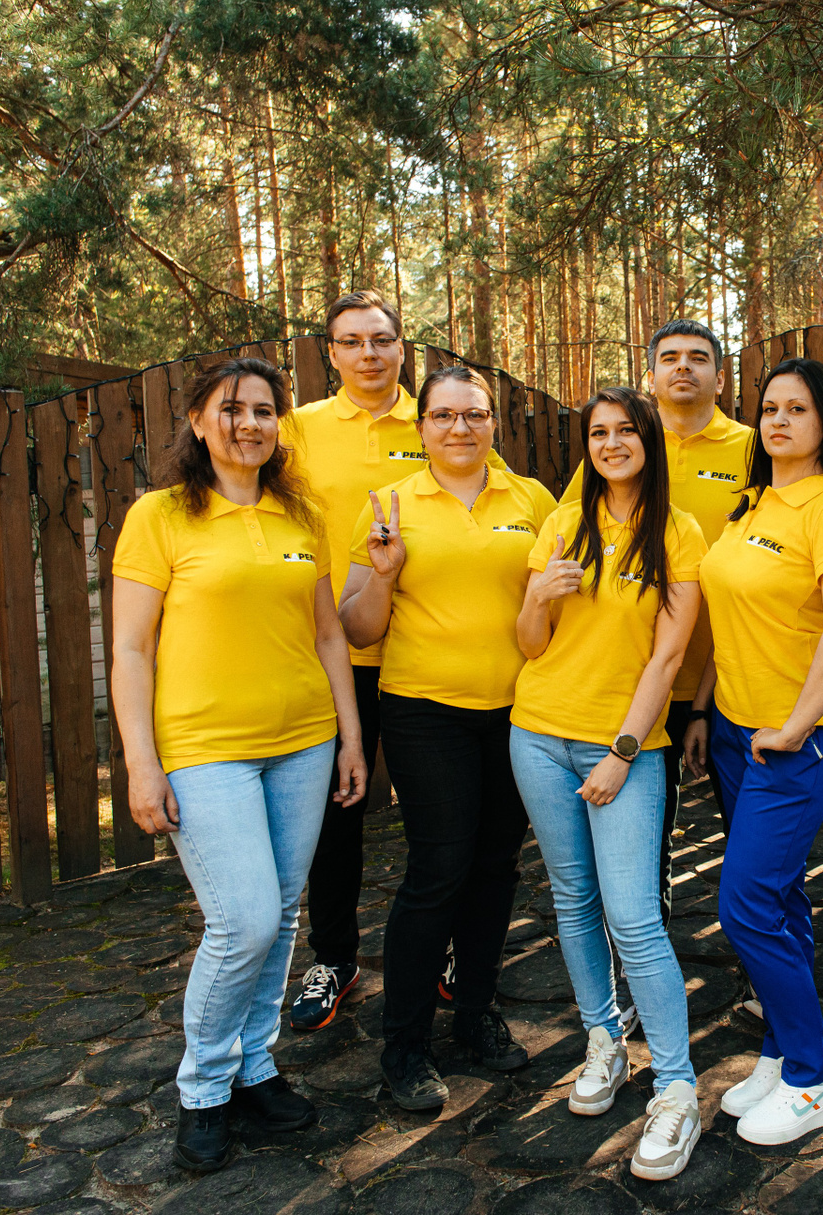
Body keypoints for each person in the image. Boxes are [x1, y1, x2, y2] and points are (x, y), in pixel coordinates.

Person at [111, 356, 368, 1172]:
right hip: (204, 748)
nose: (249, 424)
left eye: (263, 411)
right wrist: (141, 764)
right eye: (231, 409)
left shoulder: (301, 515)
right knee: (242, 921)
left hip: (303, 740)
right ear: (197, 421)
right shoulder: (159, 516)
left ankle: (254, 1067)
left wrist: (350, 737)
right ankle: (203, 1089)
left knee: (283, 914)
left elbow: (328, 635)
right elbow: (130, 650)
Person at [338, 364, 558, 1111]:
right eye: (443, 415)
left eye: (475, 414)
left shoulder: (533, 500)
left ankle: (474, 1014)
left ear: (494, 422)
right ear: (422, 426)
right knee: (438, 869)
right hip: (425, 712)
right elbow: (358, 629)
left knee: (497, 868)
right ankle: (404, 1045)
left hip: (519, 713)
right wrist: (384, 575)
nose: (460, 428)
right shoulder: (389, 505)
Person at [512, 387, 708, 1180]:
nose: (611, 443)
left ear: (649, 441)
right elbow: (530, 644)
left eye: (627, 430)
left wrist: (623, 752)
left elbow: (668, 658)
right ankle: (604, 1041)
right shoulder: (563, 523)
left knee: (633, 916)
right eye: (598, 432)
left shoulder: (679, 532)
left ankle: (677, 1086)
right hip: (537, 734)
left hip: (622, 746)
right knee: (572, 899)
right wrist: (537, 596)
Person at [681, 357, 823, 1147]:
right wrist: (705, 709)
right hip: (735, 728)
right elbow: (734, 617)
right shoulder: (752, 501)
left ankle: (813, 1080)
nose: (779, 421)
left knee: (747, 904)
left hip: (797, 739)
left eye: (798, 409)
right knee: (780, 896)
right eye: (769, 408)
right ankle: (781, 1048)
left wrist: (796, 724)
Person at [559, 321, 760, 1021]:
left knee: (753, 845)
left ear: (720, 376)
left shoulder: (751, 450)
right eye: (669, 358)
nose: (683, 369)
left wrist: (704, 701)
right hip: (630, 687)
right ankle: (641, 984)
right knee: (643, 850)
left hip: (730, 680)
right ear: (650, 375)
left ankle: (765, 978)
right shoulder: (619, 446)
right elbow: (571, 542)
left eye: (699, 358)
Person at [278, 290, 424, 1033]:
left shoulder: (438, 421)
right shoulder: (296, 430)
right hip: (333, 655)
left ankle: (444, 950)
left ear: (402, 347)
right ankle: (333, 957)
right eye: (352, 342)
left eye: (381, 339)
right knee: (337, 817)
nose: (369, 354)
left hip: (424, 654)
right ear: (330, 353)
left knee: (437, 816)